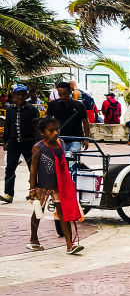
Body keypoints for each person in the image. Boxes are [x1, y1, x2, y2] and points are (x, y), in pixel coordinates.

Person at [29, 115, 84, 254]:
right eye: (51, 130)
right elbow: (33, 169)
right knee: (37, 212)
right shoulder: (38, 147)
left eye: (57, 129)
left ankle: (69, 245)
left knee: (63, 214)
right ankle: (33, 239)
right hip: (42, 186)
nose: (55, 133)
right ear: (42, 133)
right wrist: (32, 188)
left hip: (58, 186)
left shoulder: (61, 144)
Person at [1, 84, 39, 202]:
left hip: (29, 142)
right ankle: (8, 194)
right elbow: (7, 125)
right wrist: (5, 141)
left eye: (23, 94)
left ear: (26, 95)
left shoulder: (32, 109)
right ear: (14, 96)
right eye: (18, 94)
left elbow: (37, 127)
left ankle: (35, 191)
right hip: (13, 142)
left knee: (33, 168)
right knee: (10, 168)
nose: (20, 97)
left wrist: (37, 142)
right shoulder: (10, 109)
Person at [47, 81, 90, 172]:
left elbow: (86, 122)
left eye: (65, 94)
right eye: (60, 94)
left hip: (76, 138)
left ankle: (72, 183)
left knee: (72, 164)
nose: (62, 96)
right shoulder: (53, 105)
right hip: (59, 138)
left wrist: (86, 138)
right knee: (59, 163)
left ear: (70, 92)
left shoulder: (79, 105)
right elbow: (48, 121)